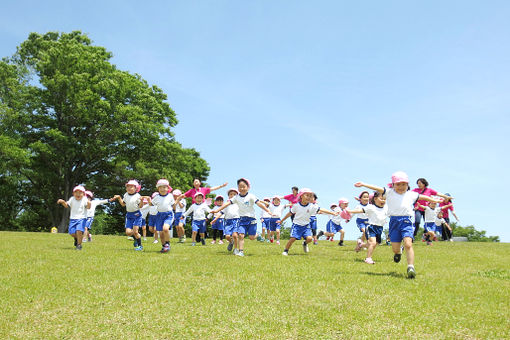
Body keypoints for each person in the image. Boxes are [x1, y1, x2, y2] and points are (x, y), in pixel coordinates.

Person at [354, 171, 442, 278]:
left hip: (407, 221)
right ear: (393, 185)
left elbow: (424, 197)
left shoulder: (411, 194)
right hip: (394, 222)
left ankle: (410, 267)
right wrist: (363, 184)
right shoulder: (390, 193)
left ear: (407, 185)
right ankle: (398, 252)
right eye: (398, 184)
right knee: (395, 249)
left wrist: (434, 199)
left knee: (408, 244)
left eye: (404, 184)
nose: (401, 187)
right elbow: (378, 188)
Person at [211, 178, 273, 257]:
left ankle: (258, 236)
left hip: (251, 219)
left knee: (251, 237)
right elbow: (226, 204)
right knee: (241, 235)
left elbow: (259, 204)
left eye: (244, 186)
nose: (242, 188)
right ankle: (241, 251)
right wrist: (217, 210)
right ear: (238, 188)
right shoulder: (236, 197)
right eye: (240, 187)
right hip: (242, 219)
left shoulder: (251, 196)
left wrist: (268, 211)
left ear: (248, 187)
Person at [279, 188, 337, 255]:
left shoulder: (312, 206)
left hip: (306, 226)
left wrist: (332, 213)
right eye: (307, 195)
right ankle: (286, 250)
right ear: (301, 196)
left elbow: (321, 209)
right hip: (296, 225)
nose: (309, 197)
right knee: (292, 239)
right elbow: (289, 213)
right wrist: (282, 220)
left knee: (309, 239)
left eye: (310, 196)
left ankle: (305, 243)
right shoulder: (296, 206)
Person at [347, 191, 388, 264]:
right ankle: (368, 258)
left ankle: (361, 244)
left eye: (385, 199)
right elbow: (360, 210)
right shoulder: (371, 207)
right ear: (375, 199)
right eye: (381, 199)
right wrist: (349, 211)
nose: (383, 201)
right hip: (371, 227)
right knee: (372, 243)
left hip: (380, 228)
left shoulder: (386, 208)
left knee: (375, 244)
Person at [112, 180, 144, 251]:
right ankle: (136, 236)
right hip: (129, 215)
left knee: (135, 231)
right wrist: (119, 198)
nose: (129, 188)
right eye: (128, 187)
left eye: (131, 187)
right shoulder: (126, 195)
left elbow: (140, 206)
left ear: (136, 188)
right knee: (128, 233)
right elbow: (123, 204)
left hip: (137, 215)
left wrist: (142, 201)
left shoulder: (137, 196)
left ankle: (140, 246)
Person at [57, 185, 91, 250]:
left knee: (79, 230)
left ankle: (79, 245)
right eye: (76, 192)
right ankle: (77, 239)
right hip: (73, 218)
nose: (78, 194)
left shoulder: (84, 199)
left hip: (82, 218)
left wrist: (89, 204)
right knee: (72, 233)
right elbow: (66, 205)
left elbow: (88, 207)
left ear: (83, 194)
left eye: (80, 193)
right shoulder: (72, 199)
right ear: (73, 193)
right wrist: (63, 202)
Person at [149, 179, 176, 253]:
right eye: (160, 187)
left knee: (165, 229)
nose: (162, 189)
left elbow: (173, 204)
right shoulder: (157, 197)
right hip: (159, 215)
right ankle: (163, 246)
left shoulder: (170, 196)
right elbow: (152, 204)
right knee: (161, 233)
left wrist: (175, 209)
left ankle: (167, 244)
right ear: (158, 189)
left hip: (168, 214)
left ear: (168, 188)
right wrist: (148, 200)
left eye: (164, 187)